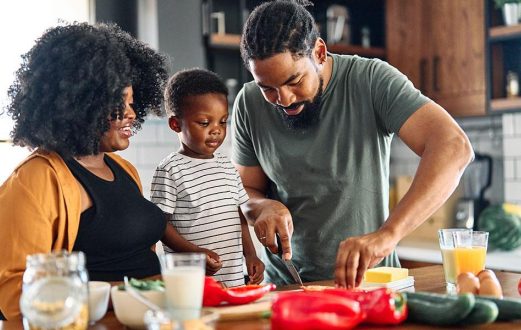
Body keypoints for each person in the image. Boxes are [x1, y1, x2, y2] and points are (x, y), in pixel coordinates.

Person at [232, 0, 474, 287]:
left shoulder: (371, 80)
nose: (283, 99)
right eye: (267, 89)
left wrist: (388, 235)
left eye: (294, 80)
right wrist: (261, 206)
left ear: (319, 53)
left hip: (371, 284)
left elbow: (454, 147)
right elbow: (246, 190)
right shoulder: (247, 103)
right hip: (287, 287)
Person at [0, 22, 168, 320]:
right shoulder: (35, 179)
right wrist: (135, 292)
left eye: (131, 102)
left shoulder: (124, 170)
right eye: (118, 103)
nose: (131, 113)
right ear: (81, 104)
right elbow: (12, 292)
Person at [150, 68, 264, 287]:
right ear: (176, 124)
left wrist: (250, 255)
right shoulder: (170, 170)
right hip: (190, 283)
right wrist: (194, 253)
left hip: (232, 280)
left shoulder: (226, 165)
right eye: (204, 123)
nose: (216, 131)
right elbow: (160, 225)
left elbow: (238, 216)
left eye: (222, 122)